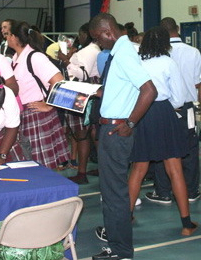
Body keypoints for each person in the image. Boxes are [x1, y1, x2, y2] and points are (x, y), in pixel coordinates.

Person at [89, 13, 157, 260]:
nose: (98, 43)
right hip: (112, 128)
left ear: (108, 32)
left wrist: (130, 122)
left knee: (114, 194)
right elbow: (126, 87)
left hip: (117, 131)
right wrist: (102, 93)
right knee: (112, 192)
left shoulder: (125, 53)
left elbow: (149, 90)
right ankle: (117, 246)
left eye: (98, 38)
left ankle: (120, 251)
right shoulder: (120, 52)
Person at [127, 26, 197, 236]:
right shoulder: (169, 62)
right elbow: (178, 96)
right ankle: (186, 224)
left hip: (142, 114)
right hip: (163, 114)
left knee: (138, 168)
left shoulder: (139, 62)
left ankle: (126, 217)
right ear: (165, 43)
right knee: (174, 168)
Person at [145, 17, 201, 204]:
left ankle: (163, 192)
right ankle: (192, 191)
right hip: (186, 107)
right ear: (178, 28)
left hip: (162, 109)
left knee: (164, 150)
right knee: (190, 149)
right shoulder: (193, 52)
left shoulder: (154, 54)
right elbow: (197, 83)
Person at [7, 20, 69, 169]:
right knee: (28, 165)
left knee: (43, 166)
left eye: (8, 34)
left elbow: (59, 81)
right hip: (23, 115)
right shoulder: (16, 58)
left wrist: (49, 104)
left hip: (36, 116)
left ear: (15, 37)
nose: (6, 38)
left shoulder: (34, 57)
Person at [57, 22, 101, 184]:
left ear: (86, 34)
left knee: (82, 134)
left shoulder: (89, 51)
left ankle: (82, 173)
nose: (78, 37)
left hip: (83, 92)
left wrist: (65, 61)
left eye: (80, 34)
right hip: (91, 92)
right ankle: (97, 168)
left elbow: (83, 74)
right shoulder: (92, 51)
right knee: (92, 132)